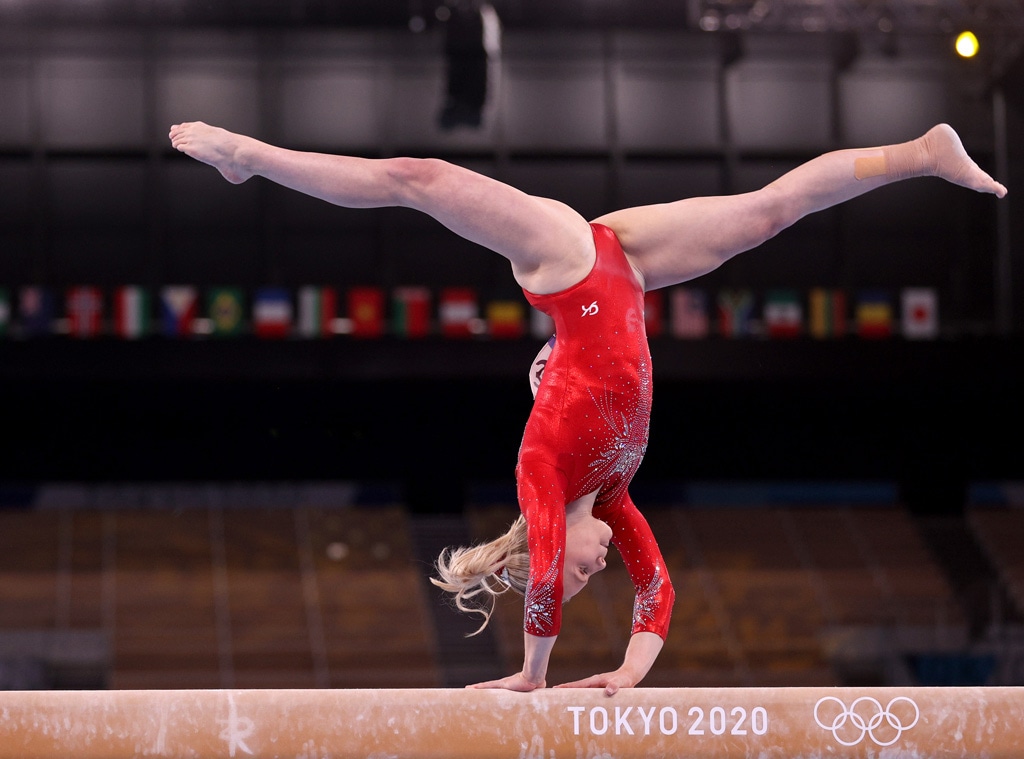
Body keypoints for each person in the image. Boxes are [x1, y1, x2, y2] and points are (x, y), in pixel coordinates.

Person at [169, 120, 1006, 695]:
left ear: (552, 540)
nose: (595, 569)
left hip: (566, 266)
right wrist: (628, 672)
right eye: (591, 575)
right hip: (629, 267)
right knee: (767, 214)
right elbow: (660, 589)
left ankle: (249, 155)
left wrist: (535, 670)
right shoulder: (614, 498)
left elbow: (537, 577)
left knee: (414, 179)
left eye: (579, 573)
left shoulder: (542, 472)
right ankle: (922, 153)